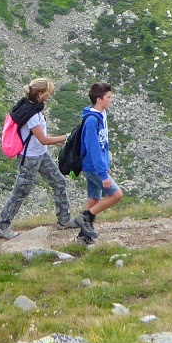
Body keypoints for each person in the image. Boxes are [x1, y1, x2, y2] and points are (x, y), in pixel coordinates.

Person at [0, 78, 73, 240]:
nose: (49, 96)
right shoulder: (32, 115)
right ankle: (2, 227)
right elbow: (43, 139)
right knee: (20, 193)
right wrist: (67, 137)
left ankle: (64, 220)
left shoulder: (32, 108)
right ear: (40, 94)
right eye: (48, 93)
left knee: (59, 182)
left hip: (41, 155)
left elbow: (41, 139)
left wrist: (55, 141)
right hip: (30, 159)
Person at [75, 83, 124, 245]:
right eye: (108, 97)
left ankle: (83, 238)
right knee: (116, 194)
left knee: (93, 199)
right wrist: (102, 173)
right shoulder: (91, 120)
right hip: (93, 167)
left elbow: (104, 143)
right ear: (99, 99)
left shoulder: (102, 115)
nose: (111, 100)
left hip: (97, 165)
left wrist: (105, 163)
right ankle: (85, 217)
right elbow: (93, 148)